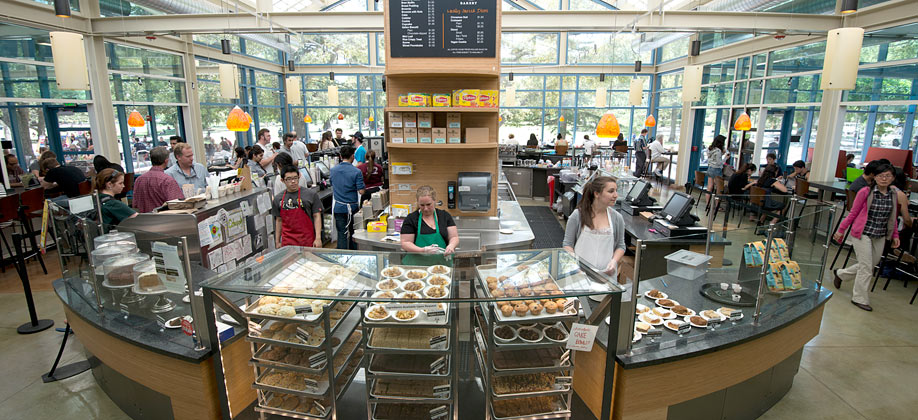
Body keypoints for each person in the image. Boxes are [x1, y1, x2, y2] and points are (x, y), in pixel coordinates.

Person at [833, 163, 900, 312]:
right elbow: (853, 212)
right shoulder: (865, 192)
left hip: (880, 235)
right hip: (862, 233)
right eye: (880, 175)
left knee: (869, 265)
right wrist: (841, 229)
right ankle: (859, 298)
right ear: (874, 177)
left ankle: (841, 274)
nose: (884, 178)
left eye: (887, 176)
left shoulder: (893, 194)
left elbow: (893, 217)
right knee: (866, 268)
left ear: (893, 178)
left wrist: (895, 235)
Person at [562, 176, 627, 282]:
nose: (616, 195)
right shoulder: (578, 215)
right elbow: (567, 244)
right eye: (611, 191)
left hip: (606, 277)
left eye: (616, 191)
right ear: (597, 194)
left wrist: (614, 262)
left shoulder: (617, 218)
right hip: (579, 275)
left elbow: (621, 246)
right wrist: (574, 264)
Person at [400, 186, 459, 265]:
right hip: (417, 266)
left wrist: (451, 246)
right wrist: (422, 250)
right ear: (418, 203)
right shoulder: (411, 219)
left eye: (428, 204)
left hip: (441, 265)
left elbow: (454, 237)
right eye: (422, 205)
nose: (426, 208)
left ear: (435, 201)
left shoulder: (444, 216)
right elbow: (405, 243)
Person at [272, 165, 323, 248]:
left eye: (295, 178)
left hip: (307, 240)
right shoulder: (278, 199)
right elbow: (279, 220)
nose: (293, 181)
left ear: (299, 177)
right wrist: (277, 241)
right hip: (288, 242)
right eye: (289, 179)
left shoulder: (311, 195)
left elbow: (317, 216)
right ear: (282, 180)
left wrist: (318, 238)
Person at [329, 145, 365, 250]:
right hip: (352, 208)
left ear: (340, 156)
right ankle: (354, 256)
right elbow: (361, 191)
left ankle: (342, 258)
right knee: (354, 234)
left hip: (339, 207)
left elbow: (332, 183)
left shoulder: (333, 170)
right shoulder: (356, 172)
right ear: (353, 156)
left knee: (342, 234)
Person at [133, 146, 185, 213]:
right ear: (166, 161)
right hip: (164, 220)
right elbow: (177, 205)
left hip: (144, 220)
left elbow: (135, 204)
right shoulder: (167, 180)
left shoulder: (139, 180)